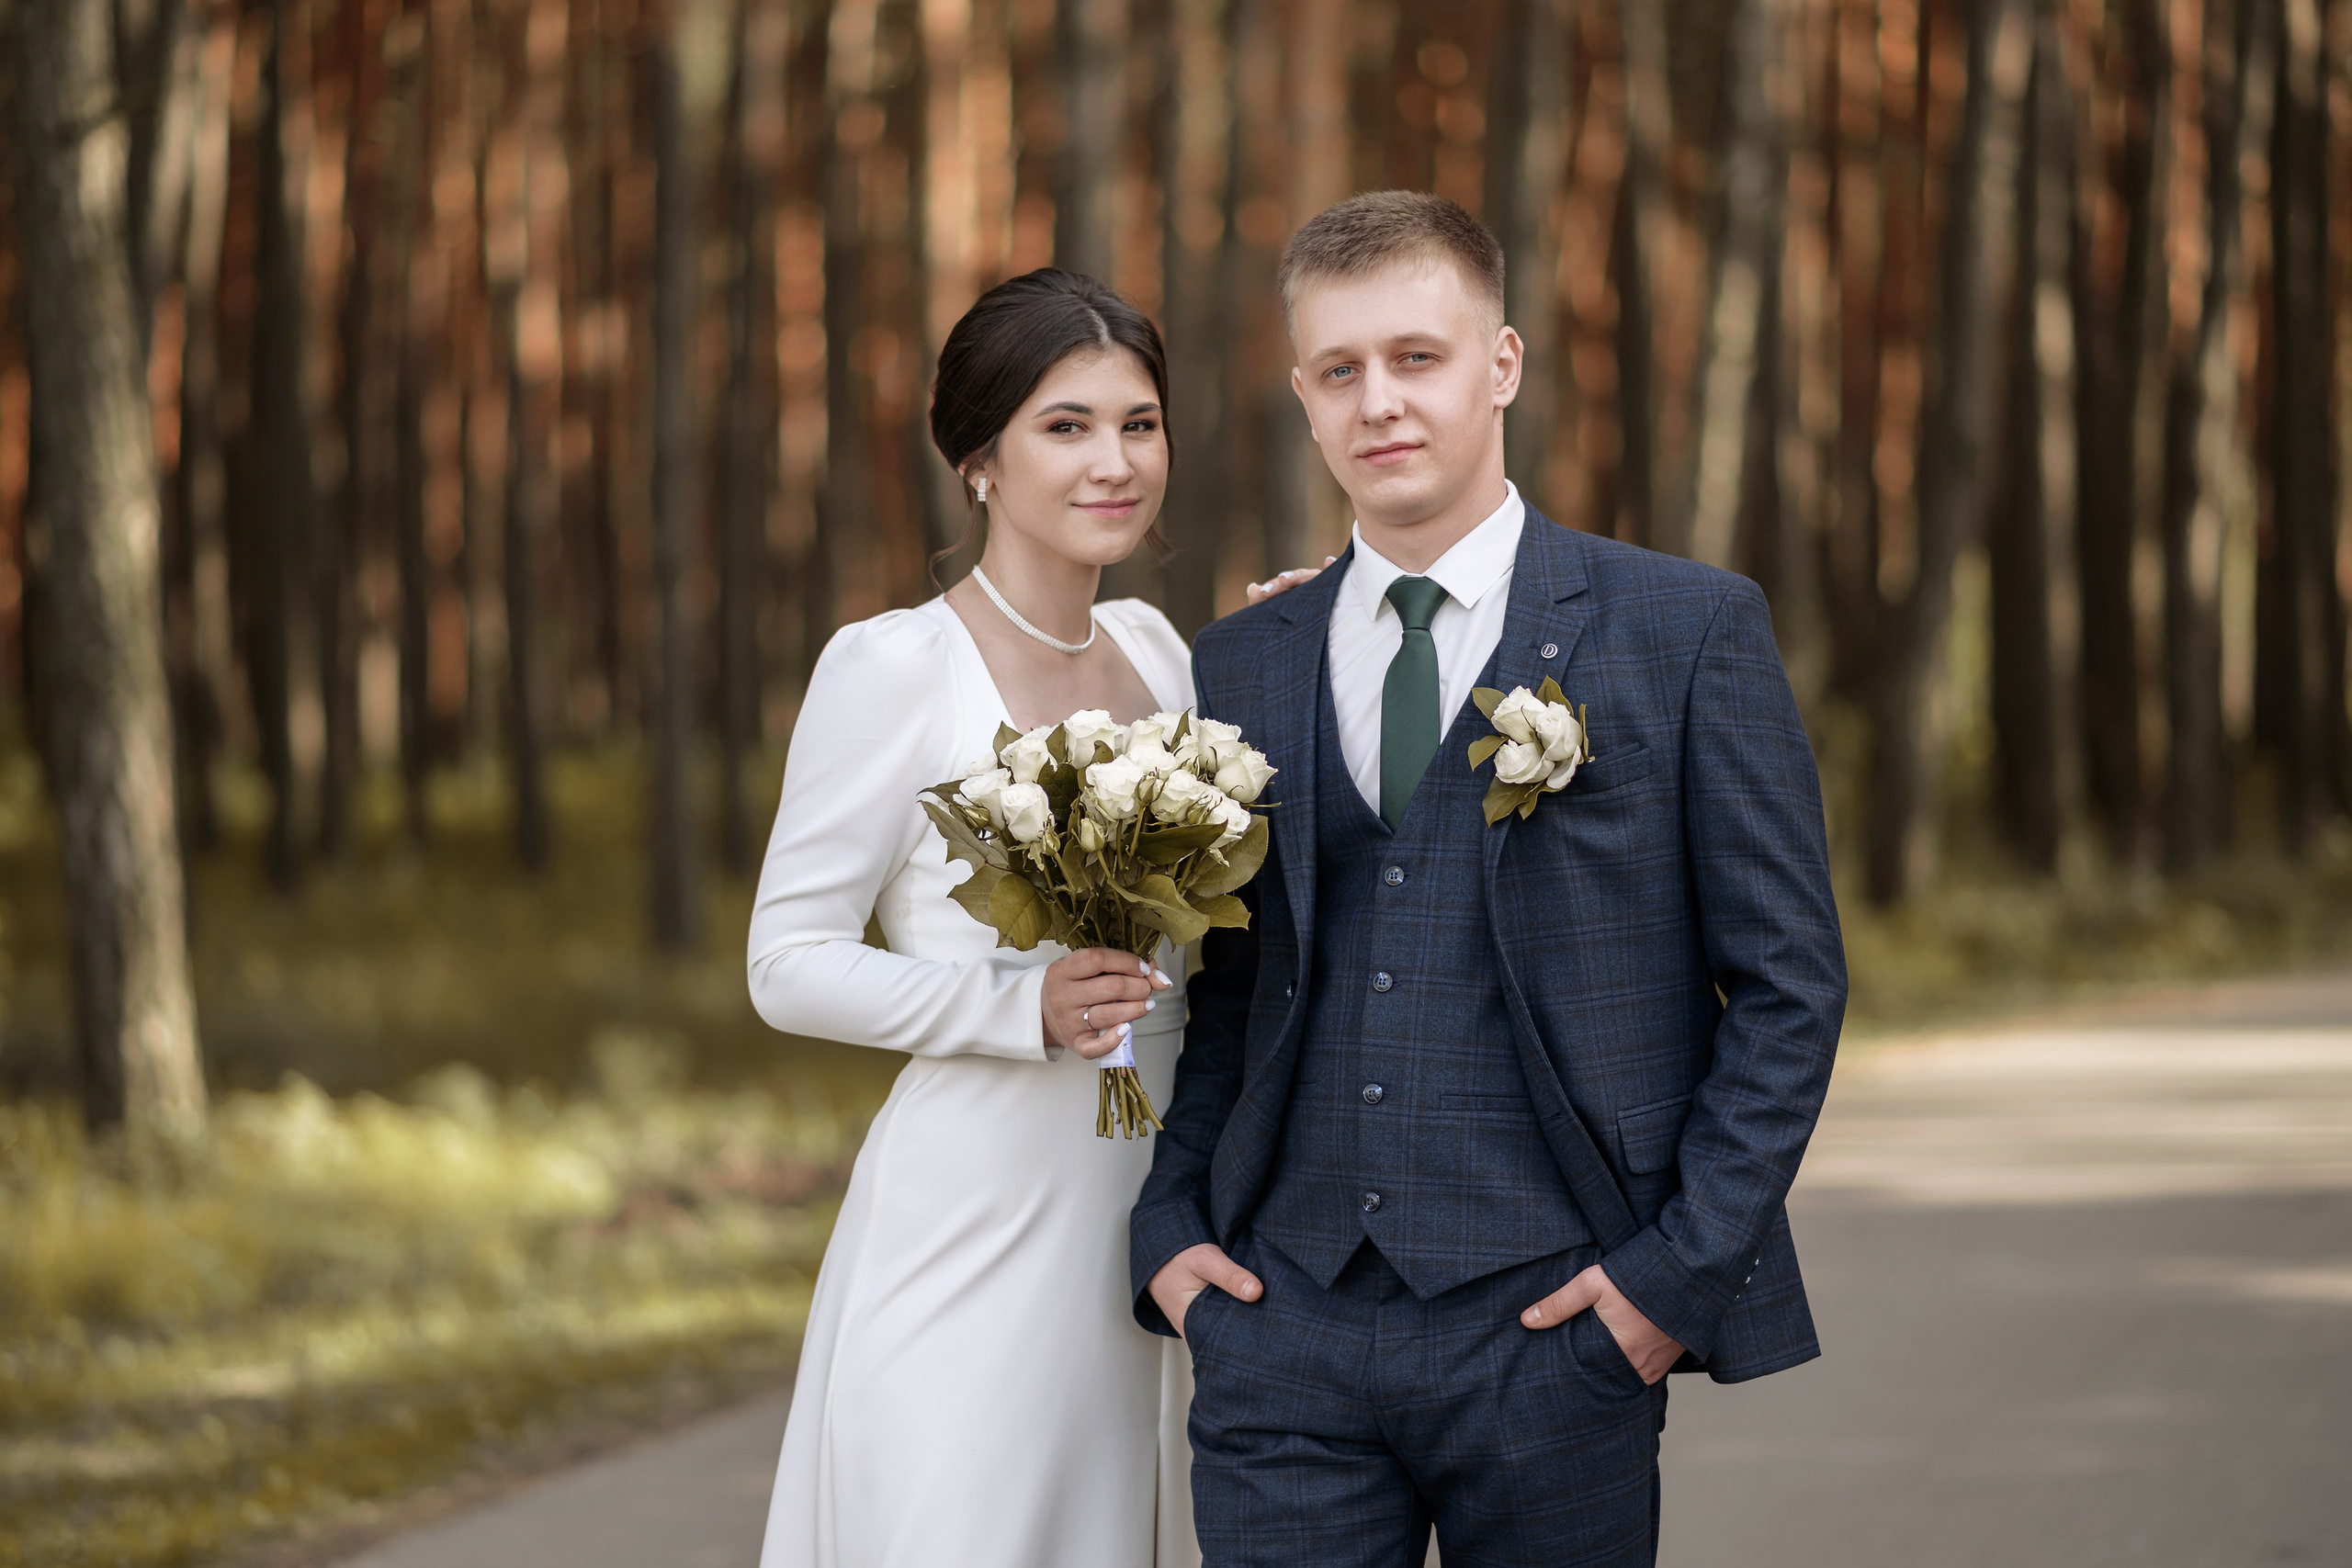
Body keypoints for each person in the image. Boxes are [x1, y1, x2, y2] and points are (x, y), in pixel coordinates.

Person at [1132, 192, 1848, 1567]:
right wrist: (1172, 1237)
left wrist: (1667, 1285)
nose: (1379, 403)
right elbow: (1223, 990)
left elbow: (1786, 991)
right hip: (1281, 1329)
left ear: (1503, 364)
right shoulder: (1242, 665)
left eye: (1418, 357)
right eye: (1339, 371)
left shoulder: (1685, 629)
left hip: (1560, 1332)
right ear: (1301, 394)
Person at [747, 267, 1316, 1568]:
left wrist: (1310, 642)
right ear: (979, 457)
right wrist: (1016, 1008)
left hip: (1142, 1222)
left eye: (1139, 422)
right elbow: (784, 963)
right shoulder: (895, 666)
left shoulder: (1167, 652)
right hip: (975, 1216)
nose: (1114, 461)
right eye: (1066, 426)